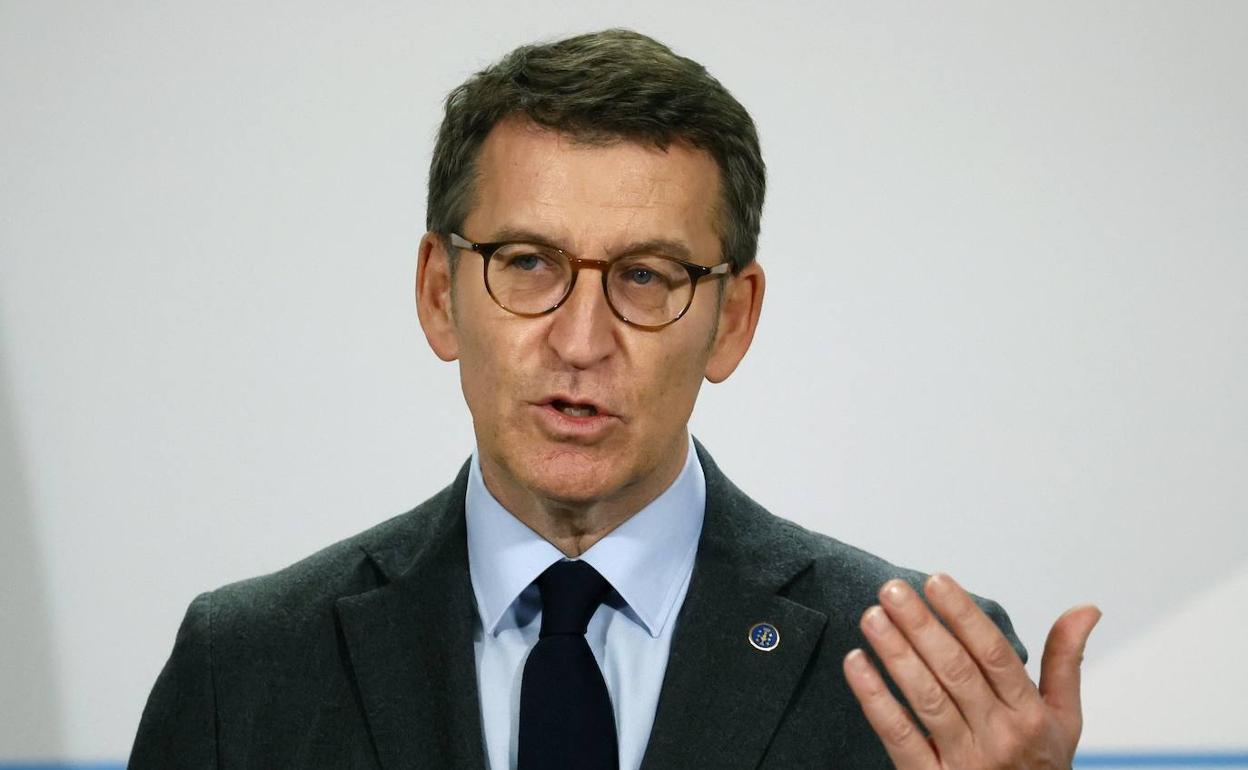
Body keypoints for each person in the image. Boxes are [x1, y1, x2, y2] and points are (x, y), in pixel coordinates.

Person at [130, 28, 1100, 769]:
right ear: (438, 294)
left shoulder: (922, 679)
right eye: (527, 262)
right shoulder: (245, 669)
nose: (581, 339)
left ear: (731, 319)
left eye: (644, 276)